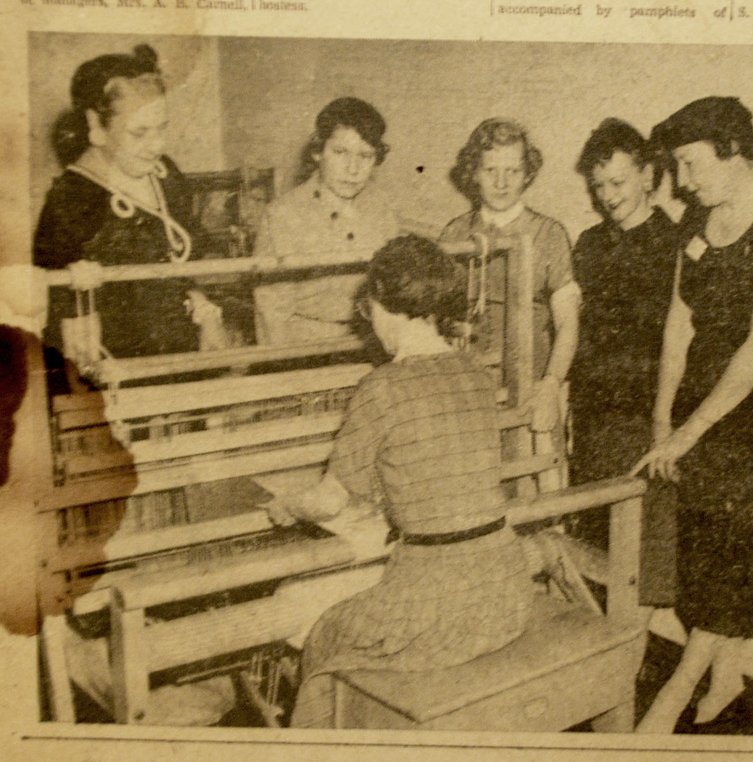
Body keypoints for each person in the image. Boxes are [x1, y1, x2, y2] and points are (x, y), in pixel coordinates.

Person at [266, 235, 534, 728]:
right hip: (505, 588)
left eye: (369, 309)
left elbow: (328, 503)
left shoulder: (382, 385)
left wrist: (287, 506)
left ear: (384, 303)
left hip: (437, 605)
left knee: (325, 634)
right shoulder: (474, 371)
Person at [634, 97, 753, 732]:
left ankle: (676, 691)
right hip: (701, 408)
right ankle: (725, 673)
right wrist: (663, 416)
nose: (682, 182)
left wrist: (688, 434)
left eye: (690, 165)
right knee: (711, 554)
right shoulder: (698, 218)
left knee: (738, 557)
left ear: (735, 152)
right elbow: (679, 321)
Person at [34, 44, 219, 366]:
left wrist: (204, 310)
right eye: (140, 133)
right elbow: (55, 304)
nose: (157, 145)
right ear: (96, 125)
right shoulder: (72, 196)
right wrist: (71, 278)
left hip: (182, 351)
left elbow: (185, 266)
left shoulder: (165, 174)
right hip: (116, 365)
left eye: (162, 128)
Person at [569, 118, 680, 607]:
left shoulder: (674, 245)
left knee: (637, 564)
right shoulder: (590, 245)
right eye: (598, 186)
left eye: (618, 182)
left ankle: (627, 667)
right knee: (592, 551)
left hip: (642, 420)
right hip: (594, 419)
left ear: (648, 175)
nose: (607, 195)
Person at [440, 118, 580, 432]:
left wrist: (551, 384)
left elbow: (568, 323)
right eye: (491, 171)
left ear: (527, 173)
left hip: (530, 392)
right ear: (474, 172)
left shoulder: (549, 234)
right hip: (468, 390)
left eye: (513, 171)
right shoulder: (455, 233)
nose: (501, 182)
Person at [252, 97, 401, 345]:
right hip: (307, 351)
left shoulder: (382, 208)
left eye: (365, 156)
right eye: (340, 152)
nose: (353, 168)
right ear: (318, 152)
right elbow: (272, 313)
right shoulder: (283, 215)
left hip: (375, 342)